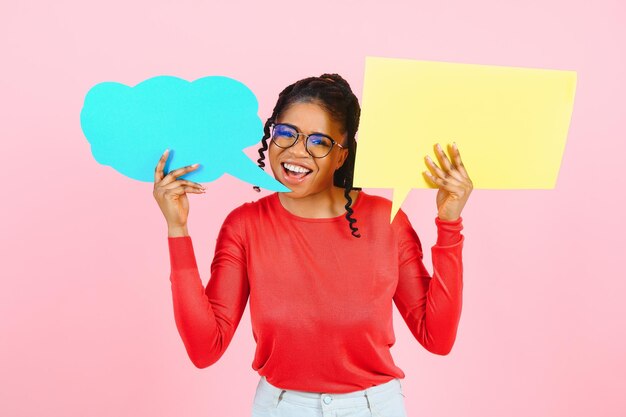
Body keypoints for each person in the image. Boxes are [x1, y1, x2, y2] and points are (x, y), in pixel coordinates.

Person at [153, 73, 473, 417]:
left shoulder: (387, 221)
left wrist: (449, 224)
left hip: (372, 407)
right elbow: (205, 349)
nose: (295, 151)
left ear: (341, 156)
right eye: (286, 133)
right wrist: (177, 228)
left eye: (318, 142)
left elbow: (437, 337)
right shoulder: (245, 225)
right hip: (280, 406)